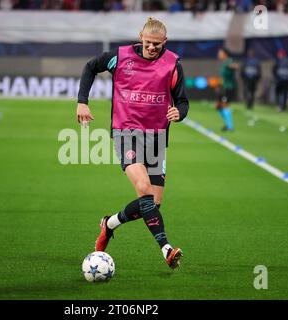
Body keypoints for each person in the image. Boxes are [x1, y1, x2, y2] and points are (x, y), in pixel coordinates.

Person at [76, 17, 189, 269]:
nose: (152, 48)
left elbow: (182, 101)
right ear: (141, 37)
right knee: (144, 190)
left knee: (153, 206)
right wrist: (82, 101)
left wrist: (179, 113)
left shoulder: (172, 64)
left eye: (157, 45)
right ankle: (166, 249)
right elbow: (90, 66)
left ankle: (110, 224)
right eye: (148, 43)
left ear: (165, 42)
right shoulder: (121, 56)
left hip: (157, 137)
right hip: (125, 132)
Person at [216, 47, 238, 131]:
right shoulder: (224, 63)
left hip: (228, 87)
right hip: (223, 87)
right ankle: (227, 124)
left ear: (224, 54)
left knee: (225, 105)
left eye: (220, 53)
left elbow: (234, 65)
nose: (218, 54)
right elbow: (222, 77)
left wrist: (233, 66)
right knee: (218, 106)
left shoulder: (228, 61)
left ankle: (230, 126)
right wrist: (218, 86)